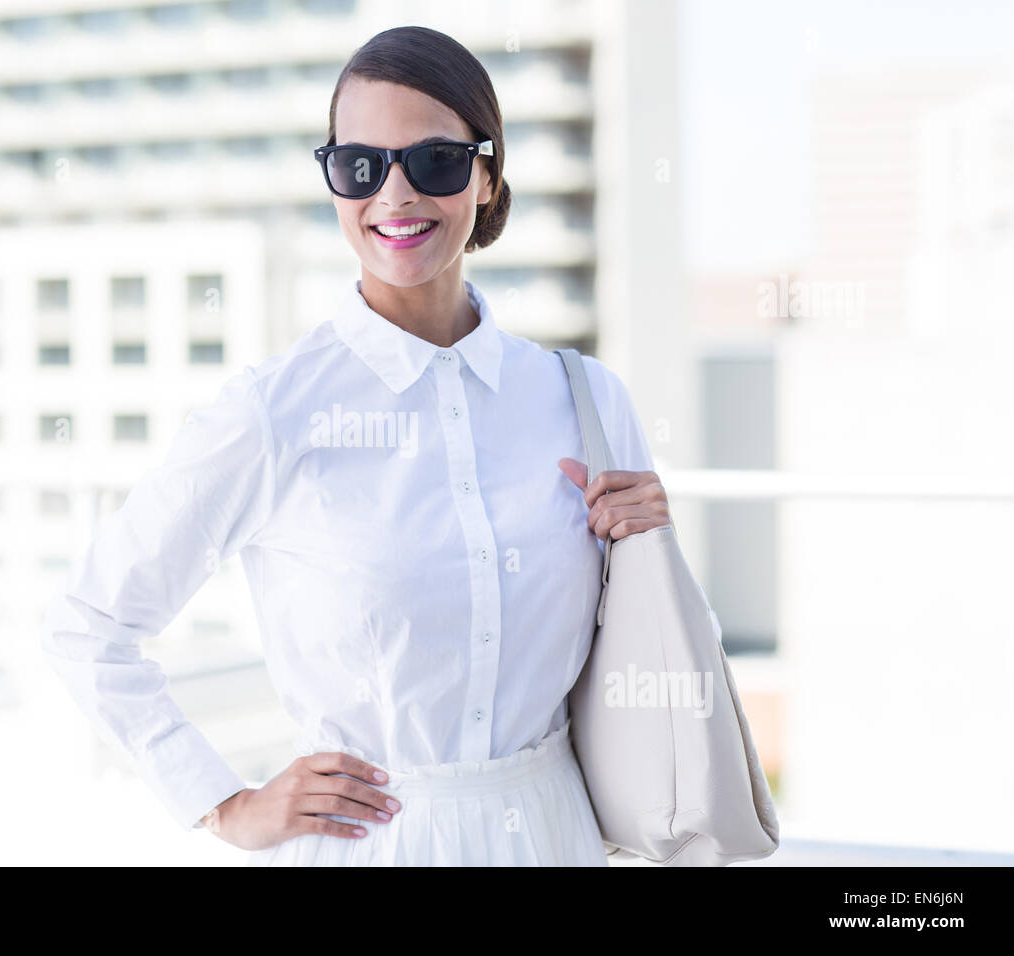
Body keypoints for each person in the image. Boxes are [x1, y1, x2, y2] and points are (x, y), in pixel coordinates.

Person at [42, 25, 704, 866]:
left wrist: (654, 543)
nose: (394, 194)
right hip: (369, 845)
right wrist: (224, 802)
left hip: (553, 833)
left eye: (433, 161)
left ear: (487, 174)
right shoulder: (274, 412)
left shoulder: (585, 400)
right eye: (360, 166)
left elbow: (652, 643)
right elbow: (88, 622)